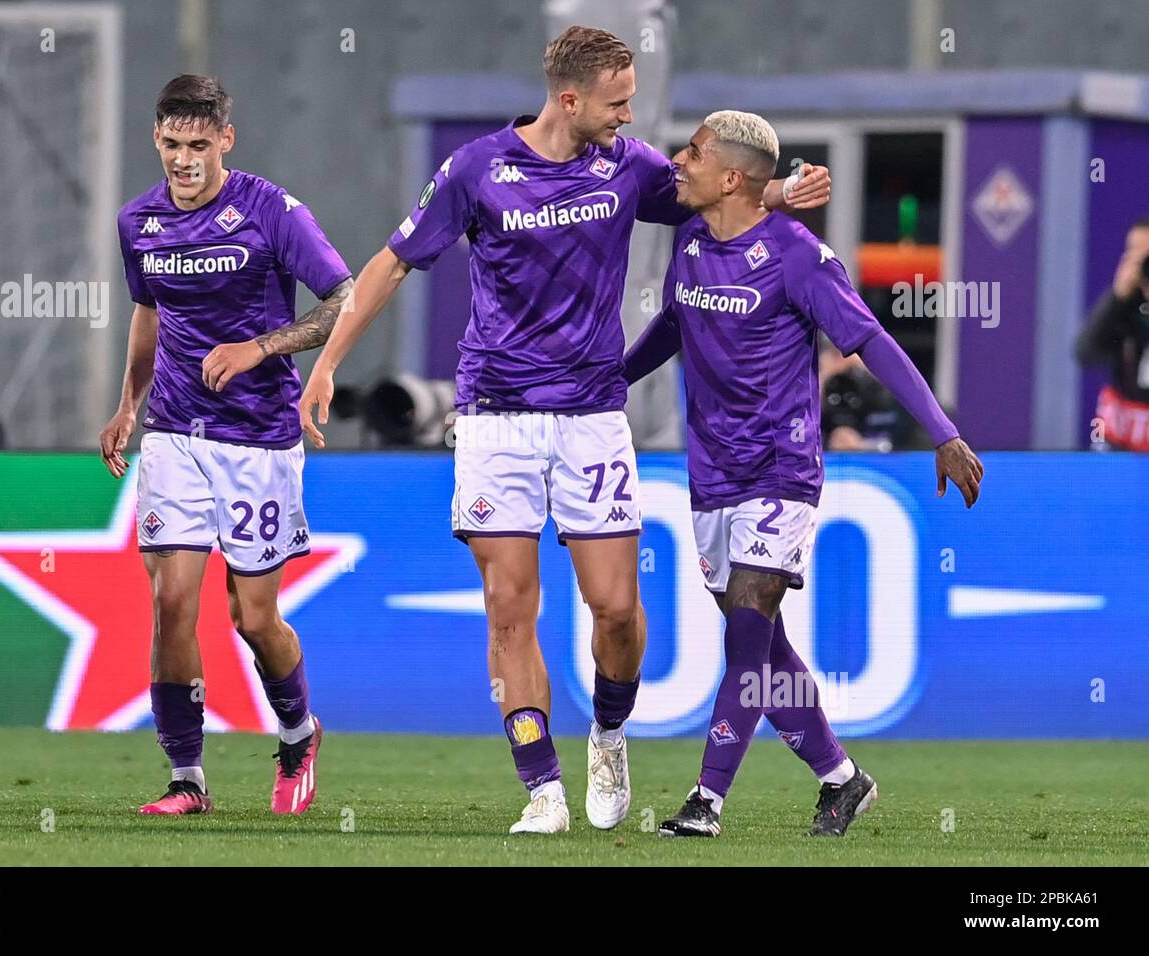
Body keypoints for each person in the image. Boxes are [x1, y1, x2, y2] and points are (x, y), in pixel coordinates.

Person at [298, 27, 831, 834]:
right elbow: (390, 263)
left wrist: (780, 192)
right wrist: (329, 360)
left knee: (615, 611)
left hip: (590, 419)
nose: (629, 116)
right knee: (509, 606)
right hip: (493, 420)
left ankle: (608, 735)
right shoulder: (478, 170)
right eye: (619, 102)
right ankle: (542, 787)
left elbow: (712, 192)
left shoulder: (629, 166)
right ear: (571, 98)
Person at [623, 110, 982, 838]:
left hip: (780, 472)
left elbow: (870, 340)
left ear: (730, 176)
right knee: (765, 649)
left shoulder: (797, 256)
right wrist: (611, 378)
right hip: (712, 474)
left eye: (691, 153)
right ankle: (841, 779)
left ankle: (705, 802)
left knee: (746, 640)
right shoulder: (690, 239)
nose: (677, 163)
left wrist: (942, 431)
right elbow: (673, 325)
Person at [99, 75, 353, 816]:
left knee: (252, 617)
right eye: (172, 145)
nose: (184, 161)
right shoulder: (137, 223)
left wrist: (260, 347)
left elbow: (343, 302)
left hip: (258, 439)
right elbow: (148, 317)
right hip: (174, 431)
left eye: (199, 146)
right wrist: (127, 406)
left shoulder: (271, 211)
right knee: (171, 601)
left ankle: (299, 733)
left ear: (226, 141)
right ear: (156, 138)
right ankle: (187, 778)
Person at [1076, 216, 1149, 451]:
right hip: (1120, 442)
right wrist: (1117, 298)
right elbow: (1085, 352)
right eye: (1134, 254)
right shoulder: (1122, 306)